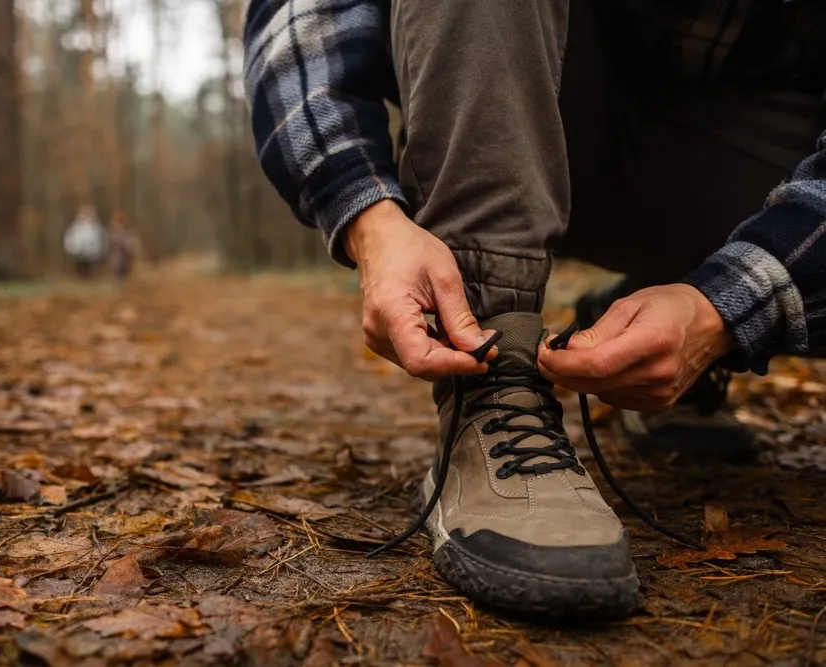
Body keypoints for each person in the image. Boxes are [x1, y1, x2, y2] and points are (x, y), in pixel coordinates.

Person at [244, 0, 825, 618]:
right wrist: (368, 217)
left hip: (773, 163)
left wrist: (726, 306)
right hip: (525, 103)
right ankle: (496, 373)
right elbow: (302, 18)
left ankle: (668, 320)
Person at [63, 205, 107, 278]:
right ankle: (81, 277)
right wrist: (71, 248)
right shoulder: (75, 227)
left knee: (89, 267)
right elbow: (69, 238)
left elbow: (102, 239)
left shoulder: (97, 228)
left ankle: (89, 277)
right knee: (80, 266)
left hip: (92, 253)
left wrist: (100, 250)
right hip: (78, 252)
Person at [107, 210, 141, 280]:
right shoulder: (112, 230)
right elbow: (111, 243)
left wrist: (132, 249)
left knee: (125, 271)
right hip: (116, 256)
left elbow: (134, 243)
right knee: (117, 269)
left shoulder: (129, 231)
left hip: (126, 256)